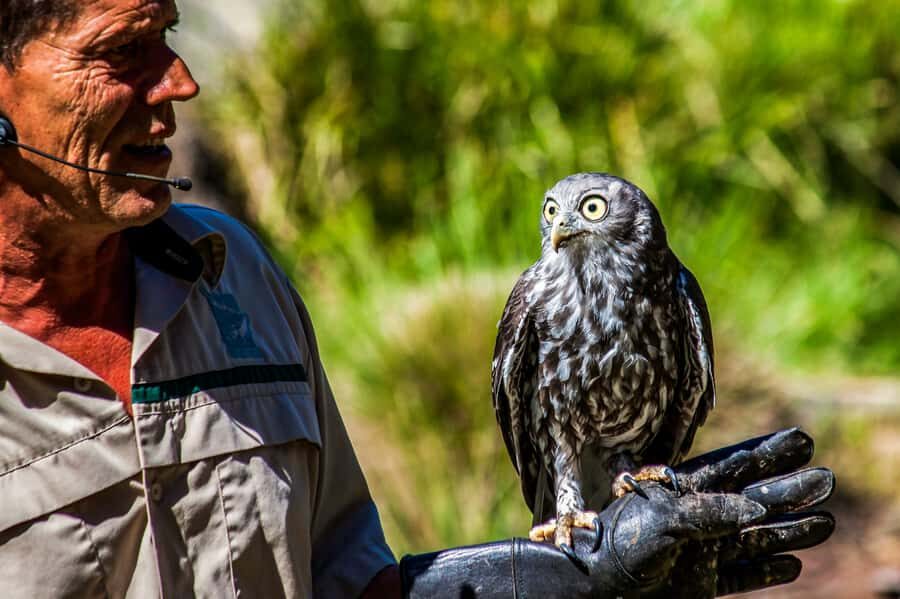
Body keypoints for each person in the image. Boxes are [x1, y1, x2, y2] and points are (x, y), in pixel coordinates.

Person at [0, 1, 834, 597]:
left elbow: (348, 580)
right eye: (123, 51)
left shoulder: (234, 277)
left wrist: (568, 580)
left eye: (170, 36)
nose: (179, 82)